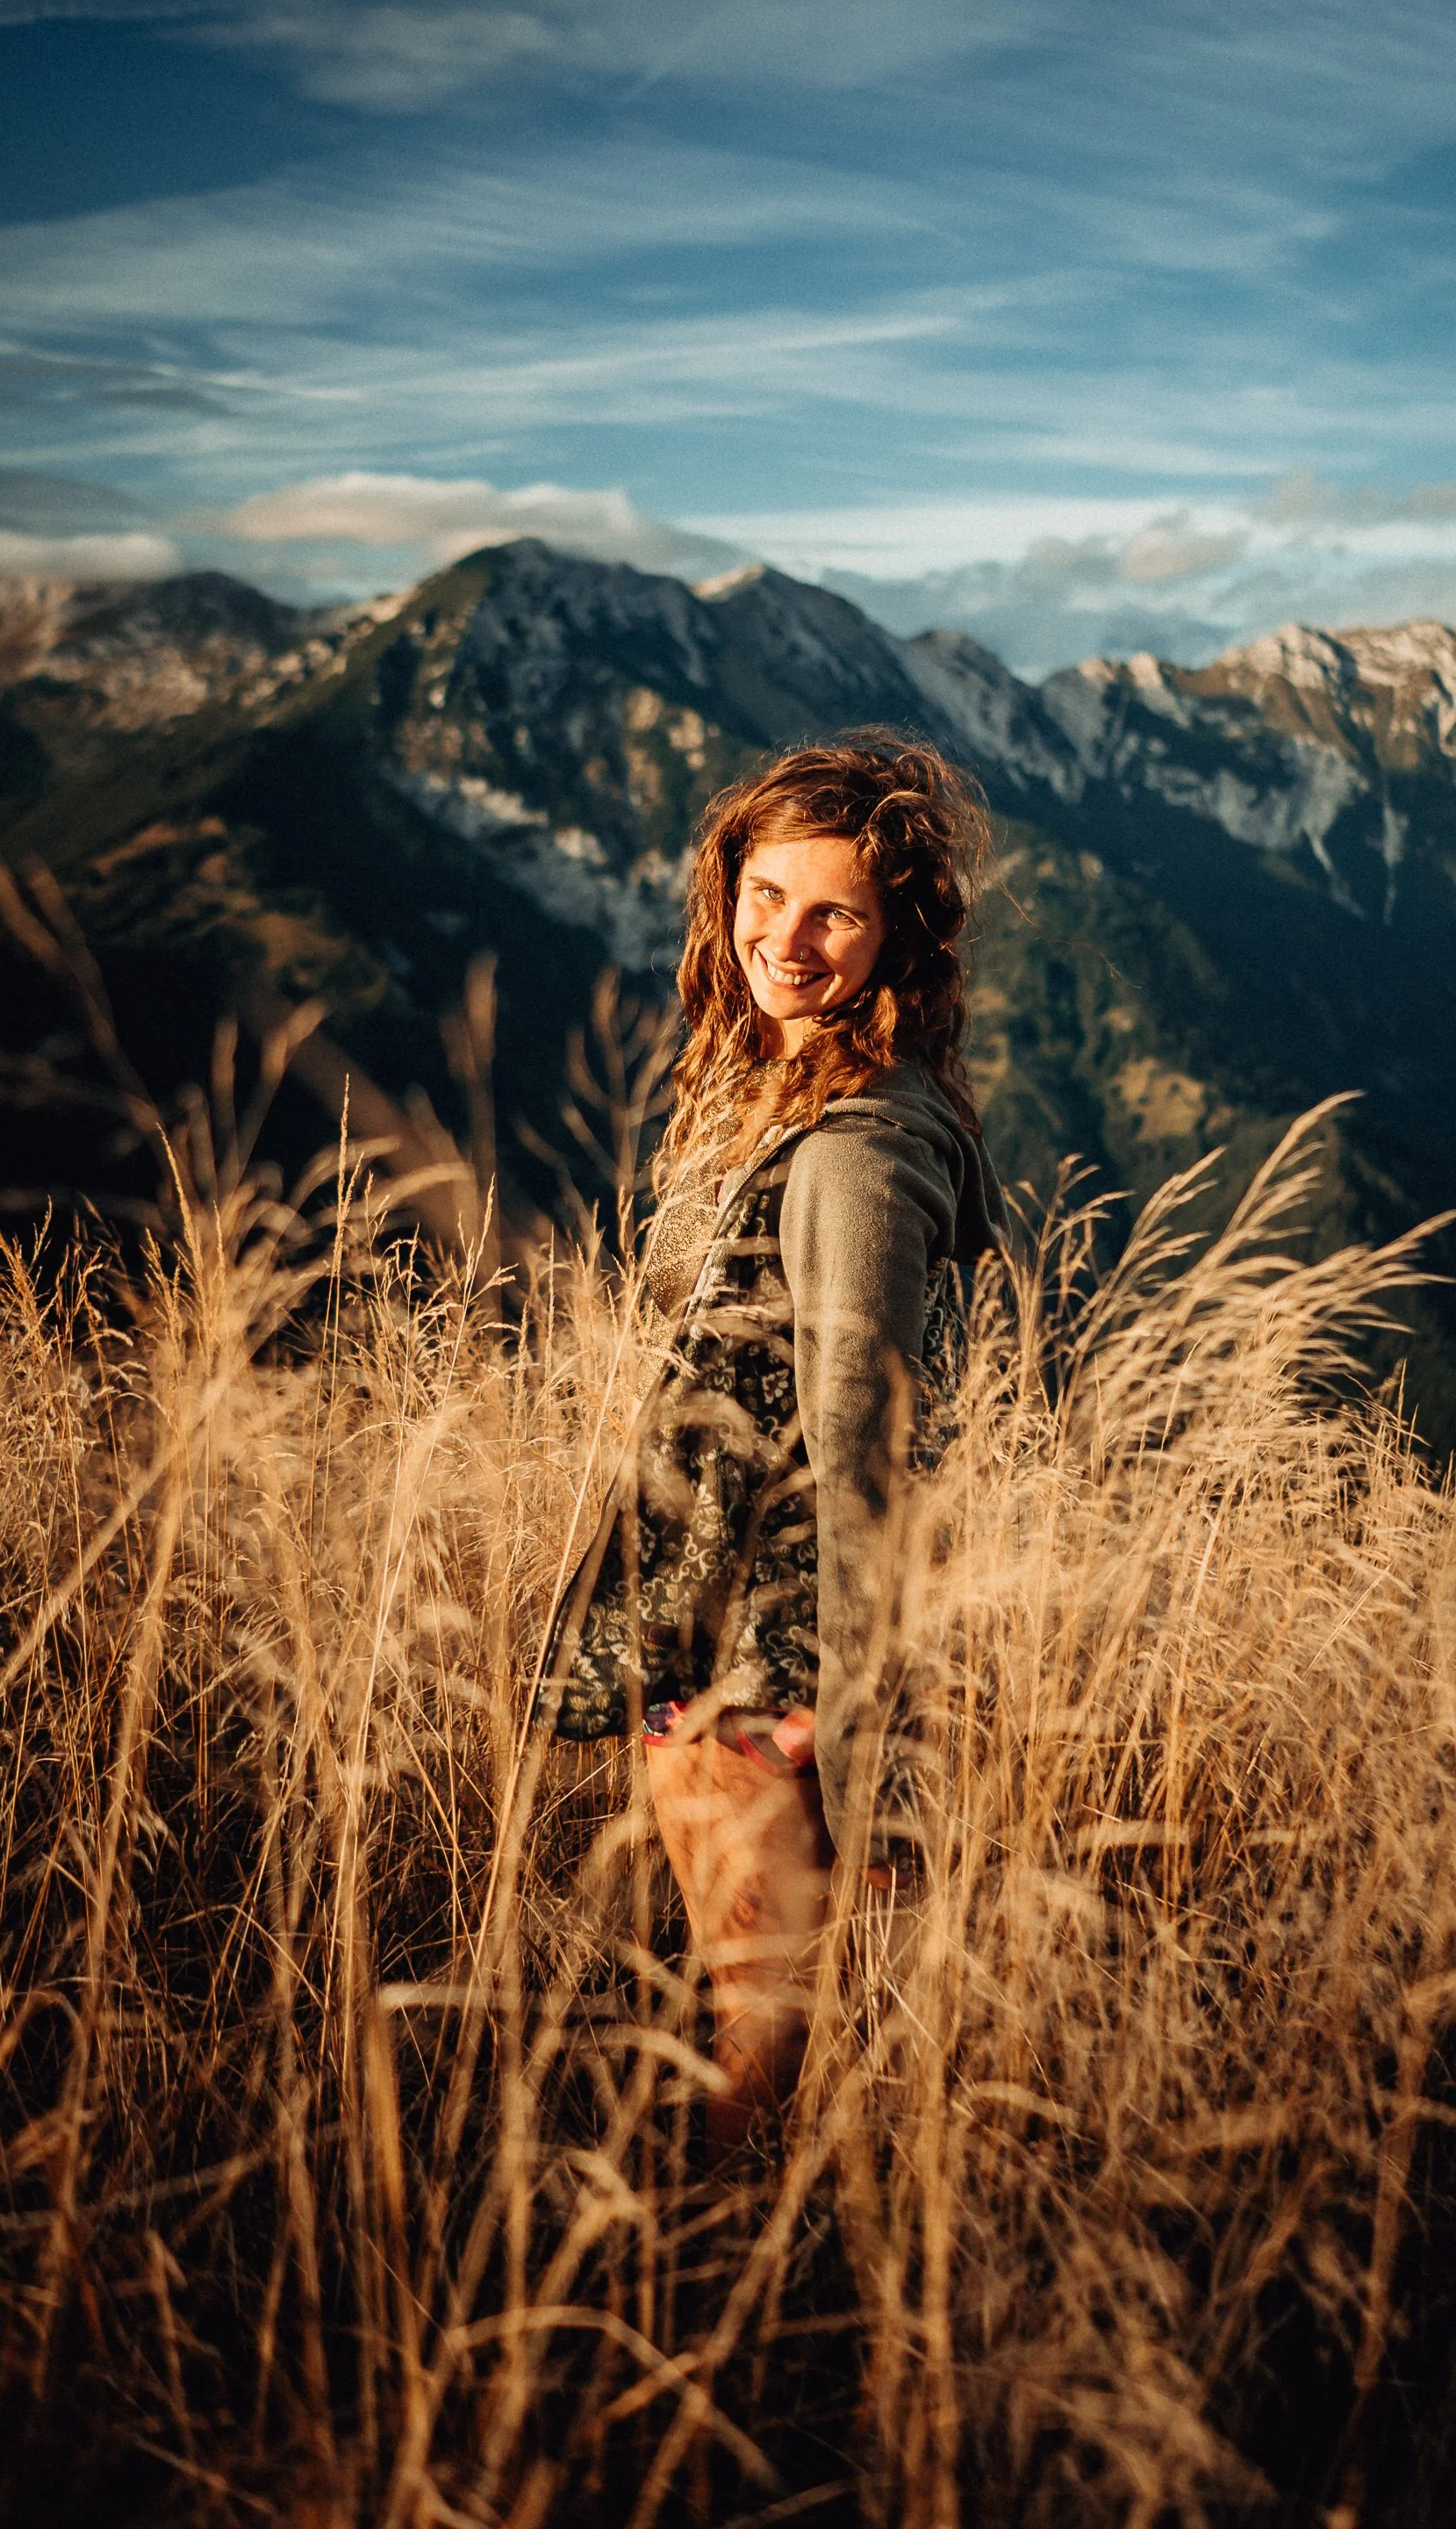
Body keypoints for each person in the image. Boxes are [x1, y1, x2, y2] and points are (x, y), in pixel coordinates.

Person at [542, 732, 1003, 2146]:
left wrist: (831, 1697)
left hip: (766, 1662)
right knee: (765, 2006)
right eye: (761, 896)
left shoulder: (859, 1146)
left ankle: (725, 2293)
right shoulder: (788, 1092)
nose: (782, 943)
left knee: (758, 2034)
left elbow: (865, 1444)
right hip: (726, 1639)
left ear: (896, 938)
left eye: (833, 915)